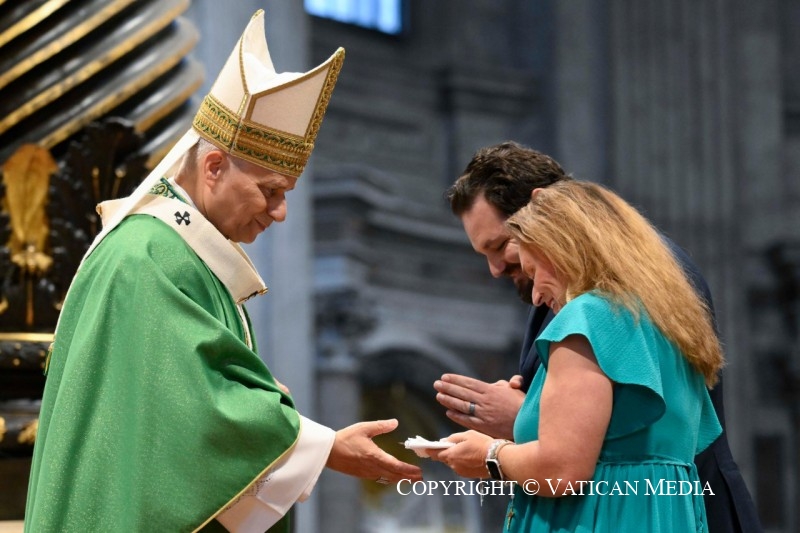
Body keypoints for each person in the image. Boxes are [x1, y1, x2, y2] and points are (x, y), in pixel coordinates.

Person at [24, 10, 421, 532]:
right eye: (270, 190)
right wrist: (323, 445)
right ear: (214, 167)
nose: (281, 212)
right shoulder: (148, 255)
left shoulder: (183, 255)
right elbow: (194, 410)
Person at [433, 141, 762, 532]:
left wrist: (495, 450)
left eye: (504, 245)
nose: (533, 293)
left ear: (546, 217)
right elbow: (633, 425)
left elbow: (565, 466)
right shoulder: (661, 300)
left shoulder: (590, 312)